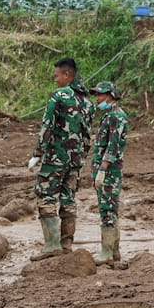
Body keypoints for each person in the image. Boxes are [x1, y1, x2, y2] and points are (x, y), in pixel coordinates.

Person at [28, 60, 89, 256]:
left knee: (45, 195)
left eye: (57, 76)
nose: (55, 79)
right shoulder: (87, 102)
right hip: (76, 159)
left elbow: (48, 125)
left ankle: (52, 245)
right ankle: (66, 245)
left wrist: (38, 152)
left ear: (67, 75)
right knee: (68, 198)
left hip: (56, 156)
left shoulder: (59, 96)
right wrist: (81, 158)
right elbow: (87, 135)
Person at [87, 83, 129, 263]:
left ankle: (107, 252)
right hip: (105, 170)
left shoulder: (116, 117)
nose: (97, 98)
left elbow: (113, 146)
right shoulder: (110, 116)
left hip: (109, 171)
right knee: (109, 208)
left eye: (100, 95)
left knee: (107, 209)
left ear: (110, 95)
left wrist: (102, 170)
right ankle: (114, 251)